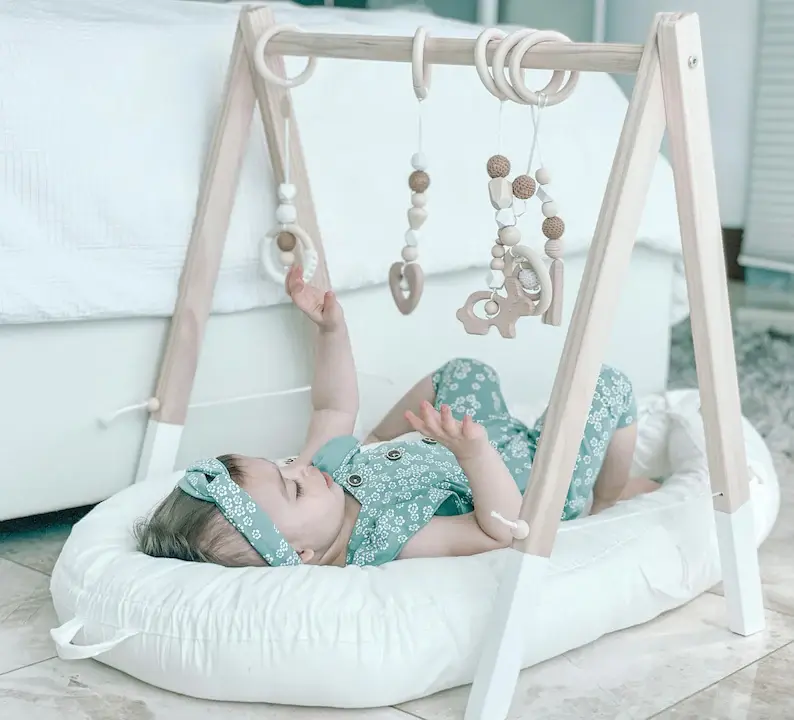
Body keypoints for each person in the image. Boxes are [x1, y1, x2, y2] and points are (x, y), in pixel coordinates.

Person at [136, 266, 655, 569]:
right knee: (604, 384)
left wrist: (331, 331)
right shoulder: (386, 538)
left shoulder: (326, 478)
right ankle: (605, 496)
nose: (298, 468)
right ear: (303, 552)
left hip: (475, 438)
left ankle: (387, 435)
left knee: (463, 371)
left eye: (285, 465)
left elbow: (332, 407)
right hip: (533, 484)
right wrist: (473, 454)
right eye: (292, 488)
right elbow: (501, 533)